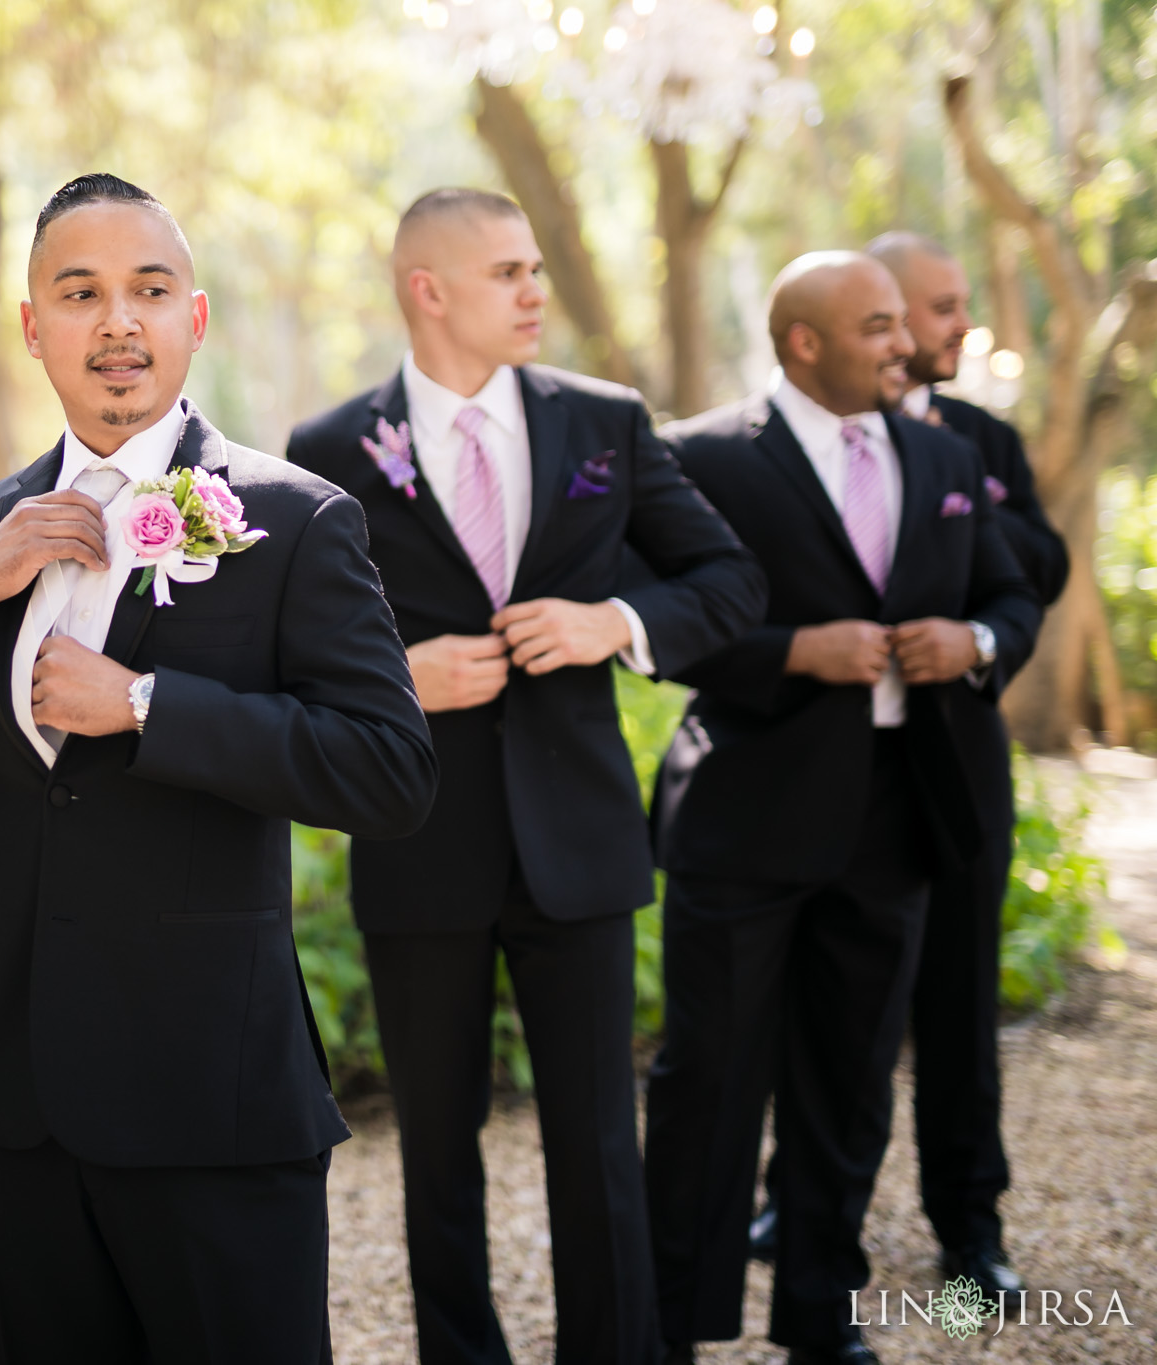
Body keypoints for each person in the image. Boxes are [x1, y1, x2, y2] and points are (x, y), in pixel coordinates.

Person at [0, 172, 438, 1365]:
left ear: (195, 316)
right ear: (31, 327)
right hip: (12, 1110)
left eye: (146, 290)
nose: (116, 323)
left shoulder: (294, 521)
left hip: (212, 1101)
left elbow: (390, 773)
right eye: (78, 294)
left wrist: (143, 703)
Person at [286, 188, 764, 1365]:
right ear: (426, 289)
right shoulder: (327, 451)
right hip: (418, 842)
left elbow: (727, 581)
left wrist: (612, 620)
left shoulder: (603, 424)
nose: (536, 291)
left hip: (580, 842)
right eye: (508, 272)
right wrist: (399, 674)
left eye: (537, 268)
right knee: (436, 1150)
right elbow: (286, 650)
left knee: (598, 1143)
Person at [644, 252, 1042, 1365]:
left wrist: (976, 641)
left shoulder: (944, 453)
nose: (902, 346)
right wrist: (789, 653)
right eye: (876, 326)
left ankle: (819, 1318)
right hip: (745, 816)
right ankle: (670, 1328)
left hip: (895, 817)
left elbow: (1010, 590)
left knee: (851, 1085)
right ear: (803, 342)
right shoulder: (697, 459)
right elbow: (656, 621)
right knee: (706, 1084)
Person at [745, 233, 1069, 1295]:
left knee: (958, 1007)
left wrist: (966, 622)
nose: (950, 326)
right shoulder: (776, 443)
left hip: (949, 769)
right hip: (814, 771)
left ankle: (970, 1231)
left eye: (951, 306)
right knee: (818, 1001)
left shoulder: (972, 441)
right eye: (931, 308)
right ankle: (792, 1200)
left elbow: (1036, 568)